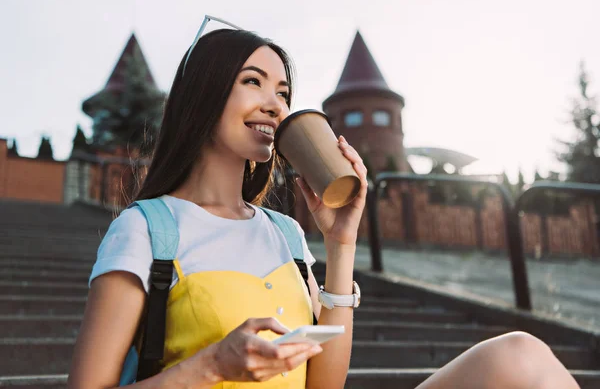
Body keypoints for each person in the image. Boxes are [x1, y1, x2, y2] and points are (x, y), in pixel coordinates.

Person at [68, 23, 581, 389]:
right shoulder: (147, 229)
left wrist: (340, 244)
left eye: (283, 90)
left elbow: (324, 384)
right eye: (253, 82)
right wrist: (212, 367)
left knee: (519, 355)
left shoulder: (286, 232)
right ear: (203, 93)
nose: (275, 103)